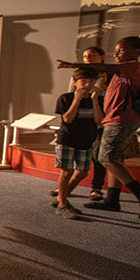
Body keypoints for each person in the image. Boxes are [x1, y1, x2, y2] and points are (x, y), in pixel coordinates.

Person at [58, 35, 140, 219]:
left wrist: (73, 65)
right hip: (114, 119)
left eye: (121, 50)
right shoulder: (122, 72)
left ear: (135, 52)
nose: (116, 53)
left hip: (120, 120)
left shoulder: (133, 66)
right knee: (115, 158)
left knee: (106, 158)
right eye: (116, 50)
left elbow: (105, 67)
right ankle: (112, 199)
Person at [51, 46, 107, 201]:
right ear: (75, 82)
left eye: (91, 82)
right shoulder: (66, 98)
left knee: (83, 170)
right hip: (68, 137)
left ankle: (66, 193)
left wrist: (95, 100)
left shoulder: (99, 94)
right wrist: (76, 99)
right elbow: (68, 119)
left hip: (87, 138)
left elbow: (98, 120)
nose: (87, 85)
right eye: (83, 81)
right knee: (66, 170)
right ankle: (62, 201)